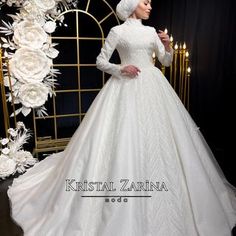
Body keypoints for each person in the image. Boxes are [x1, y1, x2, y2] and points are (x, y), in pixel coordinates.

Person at [7, 0, 236, 235]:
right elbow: (100, 61)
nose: (150, 6)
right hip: (124, 86)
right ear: (132, 5)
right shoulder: (117, 31)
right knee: (124, 136)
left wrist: (167, 47)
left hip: (153, 85)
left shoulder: (150, 32)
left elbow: (165, 62)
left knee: (161, 137)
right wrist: (120, 69)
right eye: (145, 2)